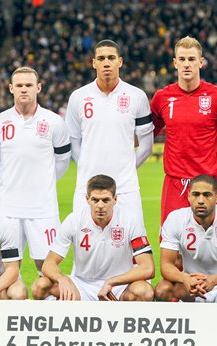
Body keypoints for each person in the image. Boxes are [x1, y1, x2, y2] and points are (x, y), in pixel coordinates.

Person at [151, 36, 217, 224]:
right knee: (172, 250)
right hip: (175, 185)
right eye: (182, 59)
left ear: (201, 62)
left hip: (209, 184)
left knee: (214, 248)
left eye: (191, 59)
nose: (186, 64)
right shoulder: (162, 98)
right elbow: (145, 135)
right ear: (175, 63)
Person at [0, 67, 70, 273]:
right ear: (11, 89)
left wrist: (45, 183)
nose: (24, 89)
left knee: (46, 268)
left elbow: (62, 161)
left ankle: (48, 304)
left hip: (43, 208)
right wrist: (8, 182)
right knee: (6, 268)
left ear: (39, 88)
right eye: (19, 85)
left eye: (29, 85)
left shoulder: (54, 122)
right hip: (9, 209)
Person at [65, 40, 153, 219]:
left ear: (120, 62)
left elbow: (146, 146)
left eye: (111, 58)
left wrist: (127, 168)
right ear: (93, 62)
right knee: (85, 244)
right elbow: (72, 141)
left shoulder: (137, 96)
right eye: (101, 58)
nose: (106, 62)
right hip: (87, 187)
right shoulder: (78, 97)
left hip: (125, 189)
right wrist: (86, 167)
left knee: (131, 244)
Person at [32, 175, 155, 301]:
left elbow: (148, 268)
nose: (100, 205)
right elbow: (48, 264)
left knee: (144, 292)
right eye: (95, 200)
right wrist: (62, 279)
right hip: (82, 285)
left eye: (105, 200)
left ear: (115, 199)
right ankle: (66, 318)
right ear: (87, 199)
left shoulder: (130, 221)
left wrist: (111, 282)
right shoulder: (74, 220)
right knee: (41, 286)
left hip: (119, 286)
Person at [155, 175, 217, 303]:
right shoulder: (175, 219)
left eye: (207, 195)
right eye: (196, 194)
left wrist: (214, 280)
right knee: (162, 289)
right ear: (189, 196)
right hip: (191, 286)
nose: (201, 200)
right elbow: (166, 265)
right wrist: (185, 278)